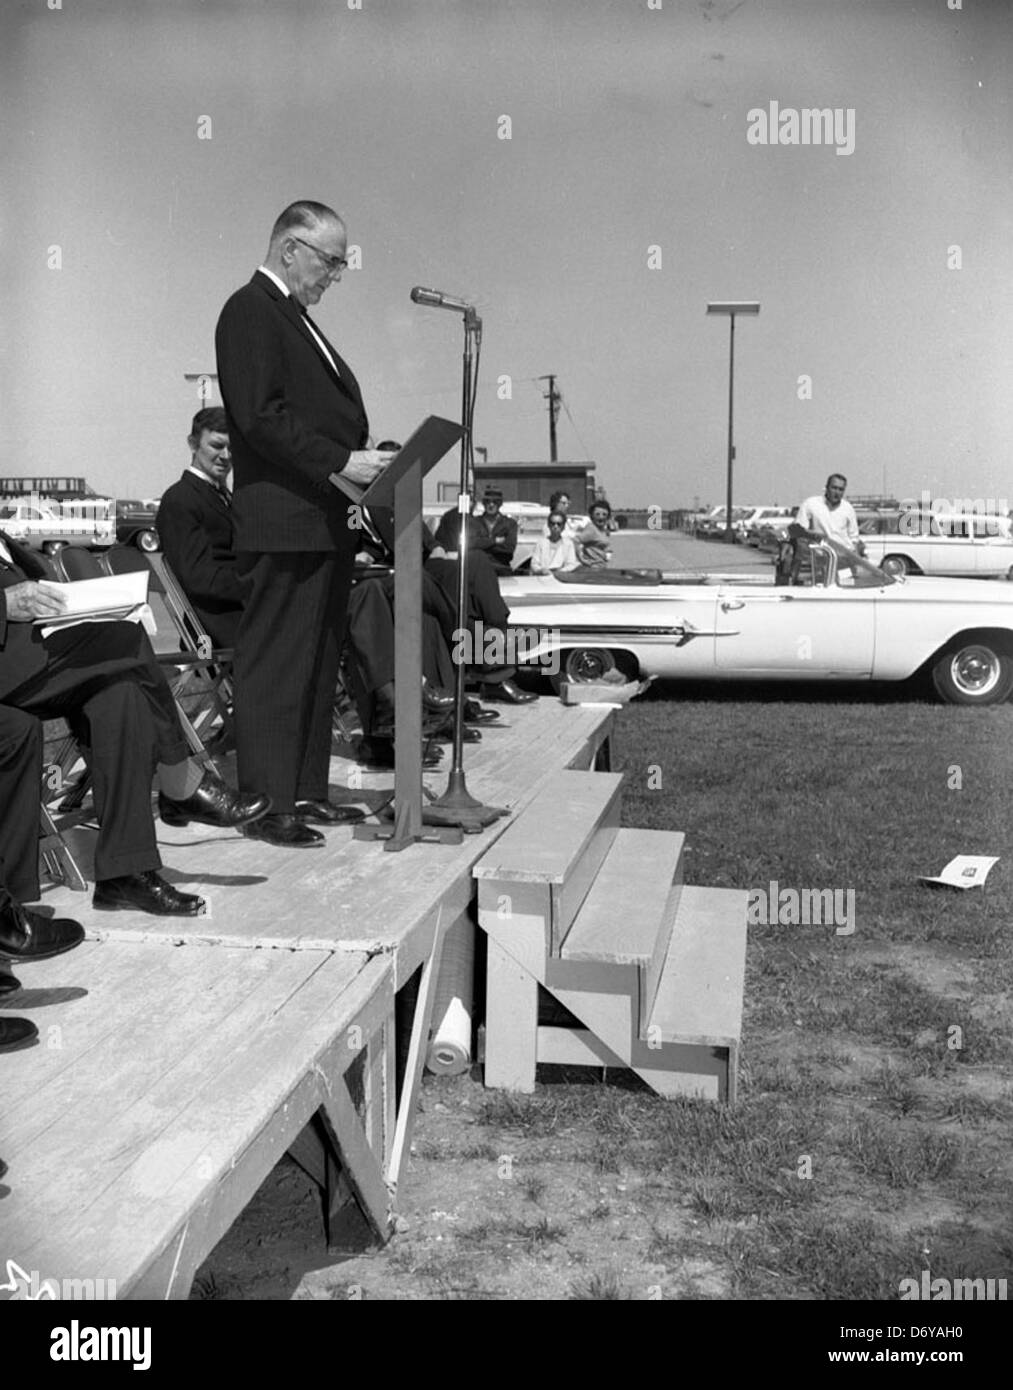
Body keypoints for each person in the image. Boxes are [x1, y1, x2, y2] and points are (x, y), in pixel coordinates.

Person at [215, 199, 389, 847]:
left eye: (340, 265)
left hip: (324, 523)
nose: (333, 276)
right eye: (329, 261)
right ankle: (265, 803)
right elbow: (260, 416)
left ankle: (306, 792)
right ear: (290, 248)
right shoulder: (249, 311)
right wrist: (344, 459)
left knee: (317, 665)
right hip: (283, 523)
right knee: (276, 665)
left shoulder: (295, 319)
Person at [1, 529, 270, 915]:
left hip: (26, 656)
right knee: (123, 637)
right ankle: (180, 781)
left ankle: (125, 874)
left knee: (120, 694)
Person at [156, 407, 246, 648]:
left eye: (232, 447)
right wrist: (260, 583)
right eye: (216, 446)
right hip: (218, 623)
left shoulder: (226, 496)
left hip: (243, 609)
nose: (226, 455)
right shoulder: (180, 499)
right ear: (193, 444)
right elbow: (198, 578)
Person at [433, 487, 517, 573]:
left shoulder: (510, 524)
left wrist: (481, 544)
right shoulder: (474, 522)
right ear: (483, 503)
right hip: (478, 570)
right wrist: (494, 541)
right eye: (488, 501)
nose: (491, 504)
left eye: (495, 501)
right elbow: (469, 544)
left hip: (502, 570)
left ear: (500, 503)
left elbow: (509, 548)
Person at [794, 474, 866, 555]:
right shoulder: (810, 504)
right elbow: (798, 531)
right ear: (826, 488)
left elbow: (854, 538)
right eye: (834, 488)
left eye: (841, 489)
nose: (837, 492)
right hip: (820, 557)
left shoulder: (848, 508)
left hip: (845, 557)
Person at [575, 500, 615, 568]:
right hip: (592, 568)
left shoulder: (602, 530)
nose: (601, 517)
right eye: (597, 514)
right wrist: (581, 559)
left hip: (601, 566)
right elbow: (575, 540)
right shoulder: (591, 529)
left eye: (604, 514)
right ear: (592, 516)